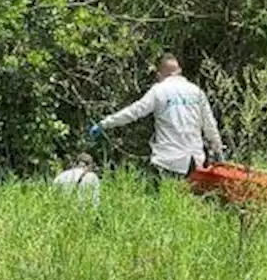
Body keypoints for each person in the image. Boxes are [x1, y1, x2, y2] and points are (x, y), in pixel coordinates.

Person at [88, 54, 225, 183]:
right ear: (179, 71)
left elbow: (134, 112)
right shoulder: (196, 92)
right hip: (195, 162)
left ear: (160, 74)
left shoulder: (159, 90)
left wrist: (104, 124)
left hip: (167, 160)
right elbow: (210, 125)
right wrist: (219, 152)